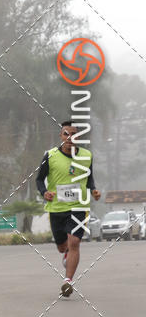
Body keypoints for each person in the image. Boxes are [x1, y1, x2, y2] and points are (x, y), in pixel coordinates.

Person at [36, 121, 101, 297]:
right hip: (57, 207)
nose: (70, 138)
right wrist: (44, 192)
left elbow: (90, 178)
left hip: (79, 206)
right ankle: (65, 254)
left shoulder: (87, 156)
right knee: (62, 246)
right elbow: (39, 179)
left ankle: (68, 281)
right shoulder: (50, 156)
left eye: (74, 135)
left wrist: (93, 190)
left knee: (75, 242)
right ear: (61, 136)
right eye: (66, 134)